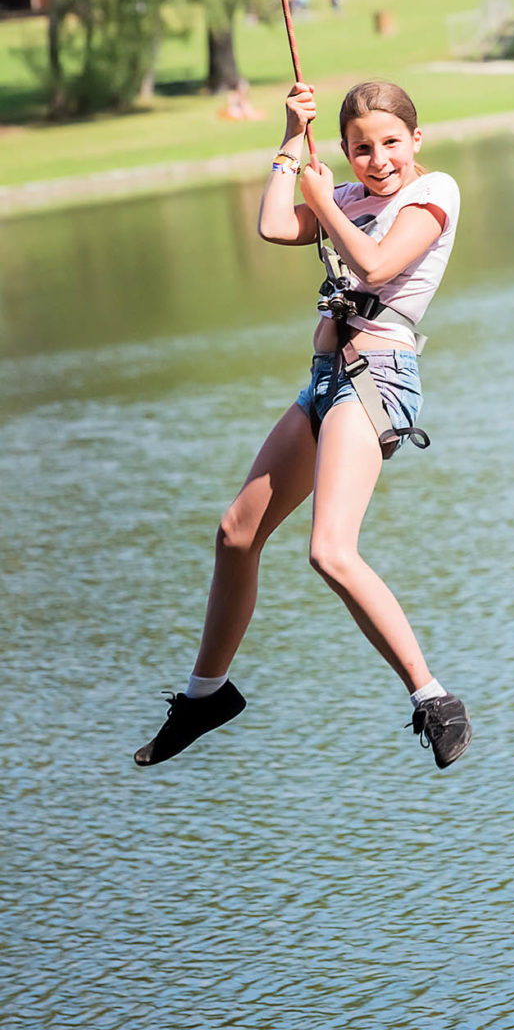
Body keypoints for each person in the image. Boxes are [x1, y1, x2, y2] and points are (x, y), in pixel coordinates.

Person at [134, 79, 472, 772]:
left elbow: (375, 263)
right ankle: (205, 696)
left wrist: (322, 202)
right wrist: (291, 143)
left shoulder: (433, 191)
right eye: (360, 149)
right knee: (236, 533)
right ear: (345, 151)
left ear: (415, 139)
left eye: (390, 143)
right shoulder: (346, 196)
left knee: (329, 550)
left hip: (377, 378)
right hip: (323, 382)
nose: (378, 160)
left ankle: (434, 698)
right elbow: (271, 225)